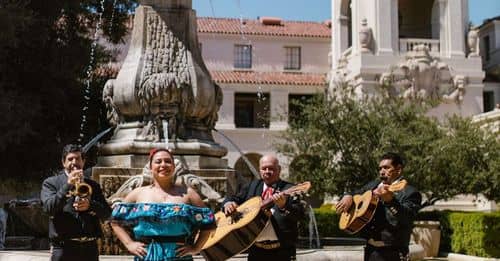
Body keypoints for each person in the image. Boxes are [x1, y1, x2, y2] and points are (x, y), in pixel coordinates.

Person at [110, 148, 216, 261]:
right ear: (150, 168)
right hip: (147, 256)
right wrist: (129, 244)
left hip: (179, 257)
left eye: (168, 161)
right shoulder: (138, 193)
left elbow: (208, 223)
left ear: (174, 167)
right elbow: (115, 221)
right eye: (158, 161)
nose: (163, 165)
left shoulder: (188, 193)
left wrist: (196, 248)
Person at [335, 152, 422, 261]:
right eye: (380, 168)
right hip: (371, 251)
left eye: (386, 168)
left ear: (398, 169)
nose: (382, 171)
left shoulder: (410, 192)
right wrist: (348, 196)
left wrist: (390, 201)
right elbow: (357, 193)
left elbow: (408, 217)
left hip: (394, 253)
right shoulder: (374, 184)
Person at [223, 154, 305, 261]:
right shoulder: (252, 186)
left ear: (279, 169)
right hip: (255, 252)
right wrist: (228, 204)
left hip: (282, 252)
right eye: (264, 168)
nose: (267, 171)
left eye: (271, 168)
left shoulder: (290, 189)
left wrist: (284, 206)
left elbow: (300, 215)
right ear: (259, 170)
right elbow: (233, 198)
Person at [41, 144, 111, 261]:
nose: (74, 162)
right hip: (64, 248)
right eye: (70, 159)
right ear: (63, 163)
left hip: (90, 249)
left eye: (78, 159)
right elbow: (48, 208)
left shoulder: (93, 185)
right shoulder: (51, 183)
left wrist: (90, 205)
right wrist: (68, 185)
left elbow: (108, 214)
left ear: (83, 162)